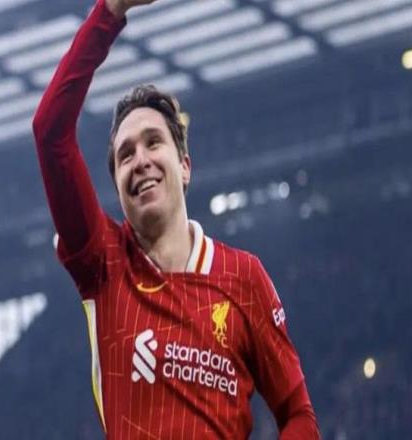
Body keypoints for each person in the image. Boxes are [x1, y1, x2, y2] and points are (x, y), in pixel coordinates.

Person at [32, 0, 320, 437]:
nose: (141, 160)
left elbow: (297, 412)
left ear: (185, 166)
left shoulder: (244, 278)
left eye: (153, 142)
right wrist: (110, 11)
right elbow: (50, 131)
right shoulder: (104, 262)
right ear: (116, 185)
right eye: (125, 155)